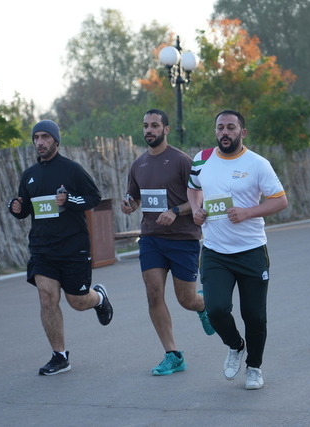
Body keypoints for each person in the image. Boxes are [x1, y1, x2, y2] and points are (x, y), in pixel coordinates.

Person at [187, 110, 288, 390]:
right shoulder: (202, 159)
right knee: (216, 309)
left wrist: (248, 212)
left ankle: (254, 367)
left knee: (254, 316)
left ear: (242, 132)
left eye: (231, 127)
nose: (225, 132)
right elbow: (193, 188)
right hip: (215, 251)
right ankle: (235, 345)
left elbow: (280, 201)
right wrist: (196, 209)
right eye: (220, 127)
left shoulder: (257, 163)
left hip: (251, 250)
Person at [8, 119, 113, 376]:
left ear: (56, 140)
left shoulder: (72, 170)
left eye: (45, 137)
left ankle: (99, 298)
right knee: (47, 298)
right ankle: (60, 355)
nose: (40, 142)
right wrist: (15, 208)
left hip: (73, 246)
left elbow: (94, 197)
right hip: (42, 248)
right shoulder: (29, 175)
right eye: (36, 138)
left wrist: (69, 200)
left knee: (77, 301)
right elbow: (25, 208)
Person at [121, 109, 215, 376]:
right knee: (153, 293)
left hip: (183, 239)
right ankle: (173, 354)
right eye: (145, 125)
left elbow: (200, 198)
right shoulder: (138, 164)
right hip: (151, 238)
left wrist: (174, 211)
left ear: (166, 129)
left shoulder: (182, 161)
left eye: (154, 125)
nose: (149, 130)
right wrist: (129, 205)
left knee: (186, 299)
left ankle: (203, 304)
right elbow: (135, 199)